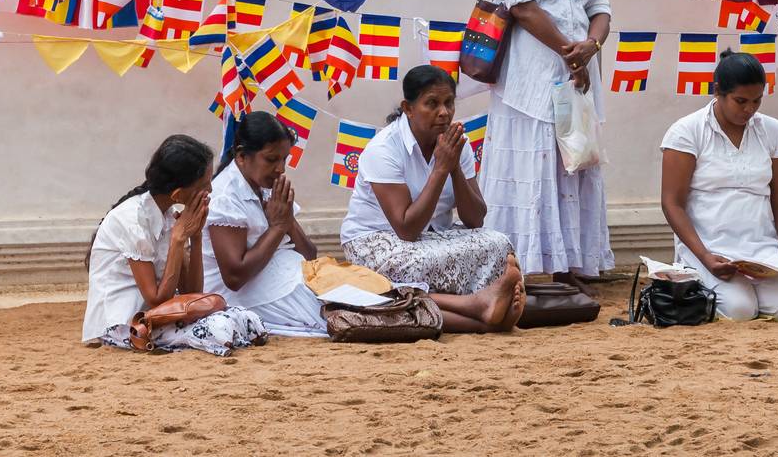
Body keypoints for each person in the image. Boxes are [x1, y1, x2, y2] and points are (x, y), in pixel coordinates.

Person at [481, 0, 614, 287]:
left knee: (574, 163)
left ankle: (569, 264)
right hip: (531, 82)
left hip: (577, 76)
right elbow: (523, 8)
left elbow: (601, 8)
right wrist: (568, 51)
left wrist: (590, 46)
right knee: (536, 165)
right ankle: (521, 268)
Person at [340, 65, 526, 333]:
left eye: (449, 103)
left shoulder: (457, 143)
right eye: (432, 103)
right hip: (377, 241)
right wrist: (440, 169)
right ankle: (478, 308)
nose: (444, 112)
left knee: (499, 243)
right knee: (414, 263)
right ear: (408, 108)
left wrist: (454, 167)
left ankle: (486, 306)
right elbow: (406, 228)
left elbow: (475, 219)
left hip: (435, 237)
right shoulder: (383, 149)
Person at [83, 134, 266, 355]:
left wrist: (196, 236)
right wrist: (178, 239)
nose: (210, 189)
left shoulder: (169, 215)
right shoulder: (131, 220)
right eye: (204, 184)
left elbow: (192, 291)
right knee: (219, 327)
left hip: (157, 319)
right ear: (178, 194)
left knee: (246, 318)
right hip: (123, 326)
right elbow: (157, 300)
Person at [660, 51, 778, 322]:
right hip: (709, 247)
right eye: (740, 101)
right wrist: (705, 256)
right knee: (739, 310)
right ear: (718, 92)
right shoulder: (686, 131)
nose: (749, 109)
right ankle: (694, 274)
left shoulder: (773, 131)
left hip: (762, 250)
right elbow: (672, 203)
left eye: (757, 101)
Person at [203, 112, 328, 338]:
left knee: (348, 291)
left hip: (291, 278)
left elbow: (310, 254)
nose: (280, 169)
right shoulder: (225, 197)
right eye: (271, 160)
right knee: (333, 316)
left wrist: (286, 221)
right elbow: (235, 277)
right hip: (248, 295)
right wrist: (277, 228)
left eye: (284, 159)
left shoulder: (268, 186)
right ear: (241, 156)